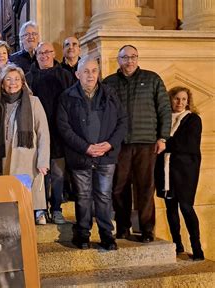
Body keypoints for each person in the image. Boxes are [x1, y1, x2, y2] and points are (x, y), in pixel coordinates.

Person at [57, 57, 127, 250]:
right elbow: (64, 128)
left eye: (94, 71)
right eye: (86, 71)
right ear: (77, 74)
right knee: (83, 196)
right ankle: (82, 235)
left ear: (98, 73)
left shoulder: (110, 94)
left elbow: (122, 122)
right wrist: (85, 147)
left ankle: (107, 236)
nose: (90, 75)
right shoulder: (67, 97)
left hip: (106, 156)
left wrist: (109, 145)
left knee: (104, 196)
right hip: (80, 156)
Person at [103, 44, 171, 243]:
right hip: (119, 143)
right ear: (119, 60)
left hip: (146, 142)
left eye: (133, 57)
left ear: (137, 58)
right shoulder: (109, 83)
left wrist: (162, 137)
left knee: (145, 187)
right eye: (125, 57)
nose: (129, 61)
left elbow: (164, 110)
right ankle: (123, 227)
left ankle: (147, 230)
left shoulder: (152, 79)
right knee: (119, 187)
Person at [0, 64, 50, 225]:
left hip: (27, 157)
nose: (13, 83)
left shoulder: (33, 102)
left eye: (17, 79)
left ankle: (36, 215)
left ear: (23, 82)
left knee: (27, 194)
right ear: (2, 82)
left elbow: (43, 133)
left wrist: (43, 161)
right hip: (4, 156)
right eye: (9, 79)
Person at [26, 42, 73, 224]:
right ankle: (41, 208)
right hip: (37, 133)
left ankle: (57, 208)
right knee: (40, 173)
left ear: (54, 54)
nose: (44, 56)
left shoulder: (65, 76)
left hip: (59, 132)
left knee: (59, 174)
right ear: (36, 56)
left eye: (48, 52)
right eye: (40, 53)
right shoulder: (29, 77)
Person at [155, 86, 204, 261]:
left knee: (186, 207)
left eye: (184, 99)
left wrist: (165, 143)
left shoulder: (193, 119)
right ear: (171, 100)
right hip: (165, 168)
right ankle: (177, 244)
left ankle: (197, 247)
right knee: (170, 207)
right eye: (177, 98)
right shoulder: (164, 119)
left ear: (188, 101)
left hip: (185, 171)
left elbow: (188, 145)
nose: (180, 102)